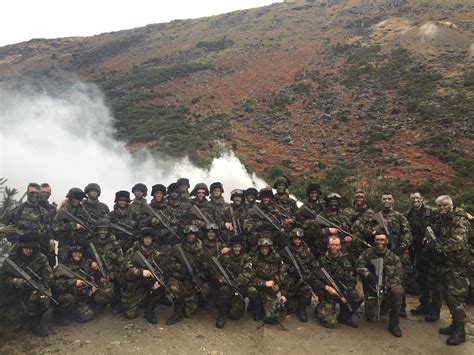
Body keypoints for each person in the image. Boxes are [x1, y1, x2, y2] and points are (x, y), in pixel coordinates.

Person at [428, 195, 470, 346]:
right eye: (439, 206)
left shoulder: (460, 219)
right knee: (446, 294)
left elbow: (459, 241)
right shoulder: (441, 218)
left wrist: (441, 247)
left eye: (445, 205)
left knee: (455, 297)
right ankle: (455, 324)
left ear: (451, 204)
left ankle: (461, 331)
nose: (442, 208)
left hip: (458, 265)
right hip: (446, 264)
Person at [1, 232, 53, 337]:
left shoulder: (41, 258)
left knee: (43, 299)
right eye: (26, 248)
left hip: (33, 289)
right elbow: (3, 278)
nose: (29, 251)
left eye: (31, 248)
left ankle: (35, 322)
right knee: (11, 319)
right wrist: (15, 281)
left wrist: (43, 290)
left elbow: (48, 277)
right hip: (14, 291)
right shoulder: (11, 259)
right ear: (20, 247)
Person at [357, 232, 404, 337]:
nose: (380, 242)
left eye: (382, 240)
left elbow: (399, 275)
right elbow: (359, 265)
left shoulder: (393, 257)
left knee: (398, 291)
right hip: (371, 286)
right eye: (377, 239)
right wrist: (369, 276)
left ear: (387, 241)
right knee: (371, 318)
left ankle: (394, 324)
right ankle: (381, 306)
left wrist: (385, 284)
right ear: (374, 240)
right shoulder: (367, 253)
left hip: (388, 285)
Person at [52, 242, 113, 325]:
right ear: (71, 254)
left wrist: (99, 280)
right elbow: (55, 285)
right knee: (87, 315)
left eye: (80, 253)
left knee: (106, 292)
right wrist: (74, 282)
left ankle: (87, 307)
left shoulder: (86, 263)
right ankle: (60, 315)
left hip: (85, 295)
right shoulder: (63, 267)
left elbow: (95, 276)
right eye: (75, 253)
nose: (78, 255)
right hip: (72, 297)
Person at [0, 182, 55, 267]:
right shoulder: (16, 208)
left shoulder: (44, 212)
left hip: (37, 249)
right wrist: (2, 228)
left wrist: (51, 240)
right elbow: (2, 221)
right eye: (31, 193)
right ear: (27, 193)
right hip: (17, 248)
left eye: (37, 193)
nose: (34, 195)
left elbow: (48, 229)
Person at [312, 236, 362, 328]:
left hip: (341, 289)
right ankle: (320, 307)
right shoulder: (321, 260)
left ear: (339, 246)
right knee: (331, 324)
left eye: (336, 245)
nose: (334, 247)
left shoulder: (345, 261)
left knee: (358, 296)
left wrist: (346, 293)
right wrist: (327, 288)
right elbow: (313, 278)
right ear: (328, 246)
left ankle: (344, 317)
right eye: (332, 245)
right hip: (326, 292)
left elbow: (351, 279)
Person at [166, 225, 209, 325]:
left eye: (193, 235)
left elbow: (205, 267)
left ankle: (196, 303)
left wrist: (200, 276)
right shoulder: (178, 249)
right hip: (179, 278)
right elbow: (169, 264)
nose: (191, 237)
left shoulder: (201, 250)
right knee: (173, 288)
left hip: (193, 280)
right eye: (189, 235)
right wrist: (181, 268)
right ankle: (177, 312)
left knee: (190, 310)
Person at [121, 228, 165, 324]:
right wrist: (141, 272)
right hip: (134, 283)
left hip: (148, 282)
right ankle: (137, 301)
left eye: (150, 238)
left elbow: (160, 271)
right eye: (146, 237)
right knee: (130, 315)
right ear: (142, 238)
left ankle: (149, 311)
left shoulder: (156, 253)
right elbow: (125, 270)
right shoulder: (132, 251)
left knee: (159, 286)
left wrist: (156, 283)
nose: (148, 240)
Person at [213, 234, 254, 328]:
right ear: (231, 247)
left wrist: (236, 283)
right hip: (227, 283)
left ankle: (232, 306)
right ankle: (221, 314)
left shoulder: (246, 257)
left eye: (239, 247)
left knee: (235, 315)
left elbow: (249, 272)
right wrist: (220, 277)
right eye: (235, 246)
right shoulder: (225, 256)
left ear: (242, 247)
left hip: (240, 285)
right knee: (224, 290)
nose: (236, 249)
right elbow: (215, 269)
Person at [404, 192, 434, 316]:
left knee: (432, 279)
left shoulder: (432, 211)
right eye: (413, 198)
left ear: (422, 198)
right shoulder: (407, 214)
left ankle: (434, 309)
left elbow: (448, 214)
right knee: (421, 277)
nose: (415, 200)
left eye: (417, 198)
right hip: (416, 251)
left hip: (431, 250)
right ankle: (425, 305)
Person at [248, 238, 289, 324]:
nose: (264, 250)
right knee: (251, 290)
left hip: (272, 291)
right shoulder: (254, 260)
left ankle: (265, 307)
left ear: (270, 248)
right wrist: (264, 283)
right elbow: (250, 278)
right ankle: (257, 309)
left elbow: (284, 279)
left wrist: (284, 295)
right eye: (262, 248)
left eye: (266, 248)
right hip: (260, 289)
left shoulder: (277, 260)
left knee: (271, 318)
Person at [281, 228, 315, 322]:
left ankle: (302, 310)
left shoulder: (306, 250)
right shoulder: (288, 249)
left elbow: (313, 265)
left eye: (299, 239)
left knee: (307, 289)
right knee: (291, 308)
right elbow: (281, 263)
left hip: (303, 277)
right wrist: (289, 268)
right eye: (295, 239)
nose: (297, 241)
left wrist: (308, 273)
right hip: (290, 278)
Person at [53, 188, 92, 262]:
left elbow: (89, 223)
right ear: (70, 197)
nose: (77, 200)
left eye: (79, 199)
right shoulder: (63, 210)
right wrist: (73, 225)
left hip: (79, 247)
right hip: (65, 245)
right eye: (75, 198)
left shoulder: (82, 210)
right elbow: (55, 227)